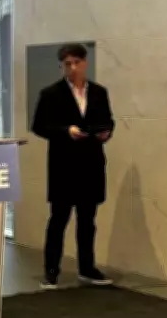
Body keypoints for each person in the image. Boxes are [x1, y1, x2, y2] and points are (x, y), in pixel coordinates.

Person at [31, 43, 115, 290]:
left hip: (91, 162)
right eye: (67, 64)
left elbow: (108, 120)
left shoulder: (98, 92)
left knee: (88, 220)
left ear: (85, 63)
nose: (73, 68)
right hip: (64, 165)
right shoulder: (51, 94)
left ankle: (87, 268)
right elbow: (39, 126)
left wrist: (106, 133)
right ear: (61, 66)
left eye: (77, 63)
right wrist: (66, 131)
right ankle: (51, 271)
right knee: (59, 219)